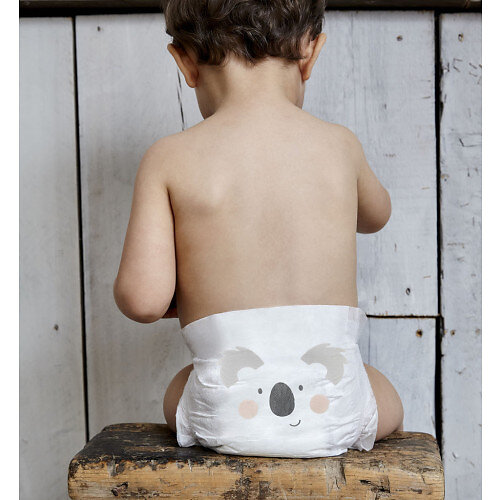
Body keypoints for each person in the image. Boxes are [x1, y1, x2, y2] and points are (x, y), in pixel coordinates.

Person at [113, 0, 403, 458]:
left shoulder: (168, 158)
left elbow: (143, 300)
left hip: (231, 412)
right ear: (310, 52)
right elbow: (377, 215)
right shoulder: (340, 145)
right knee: (384, 394)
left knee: (178, 389)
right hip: (334, 407)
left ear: (185, 62)